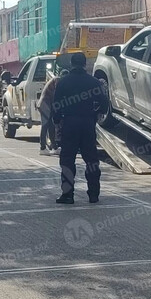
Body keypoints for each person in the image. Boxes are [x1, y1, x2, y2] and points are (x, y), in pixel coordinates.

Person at [52, 53, 108, 204]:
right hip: (87, 124)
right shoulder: (94, 82)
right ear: (84, 64)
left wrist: (57, 120)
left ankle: (68, 195)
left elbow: (56, 105)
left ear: (71, 64)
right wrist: (95, 114)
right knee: (91, 160)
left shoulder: (63, 82)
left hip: (69, 124)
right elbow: (104, 103)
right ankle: (94, 194)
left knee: (67, 160)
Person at [36, 72, 61, 156]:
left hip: (46, 104)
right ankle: (42, 148)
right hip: (45, 105)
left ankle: (54, 147)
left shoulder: (56, 80)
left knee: (51, 126)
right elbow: (57, 93)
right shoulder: (57, 80)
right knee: (45, 126)